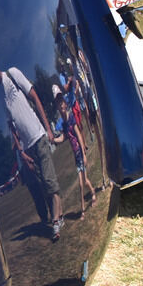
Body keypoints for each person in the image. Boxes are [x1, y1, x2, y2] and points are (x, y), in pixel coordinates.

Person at [0, 43, 63, 240]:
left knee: (49, 180)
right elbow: (12, 127)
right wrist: (21, 151)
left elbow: (35, 97)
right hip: (28, 146)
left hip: (39, 136)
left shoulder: (12, 74)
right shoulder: (0, 96)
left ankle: (56, 223)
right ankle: (56, 216)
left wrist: (47, 128)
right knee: (41, 185)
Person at [52, 85, 96, 214]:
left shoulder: (71, 118)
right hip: (76, 156)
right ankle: (92, 193)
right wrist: (52, 140)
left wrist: (84, 153)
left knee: (82, 183)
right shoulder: (64, 124)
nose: (60, 105)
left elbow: (78, 135)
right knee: (83, 181)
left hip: (80, 154)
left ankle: (82, 209)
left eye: (61, 102)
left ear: (65, 103)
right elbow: (62, 138)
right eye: (57, 103)